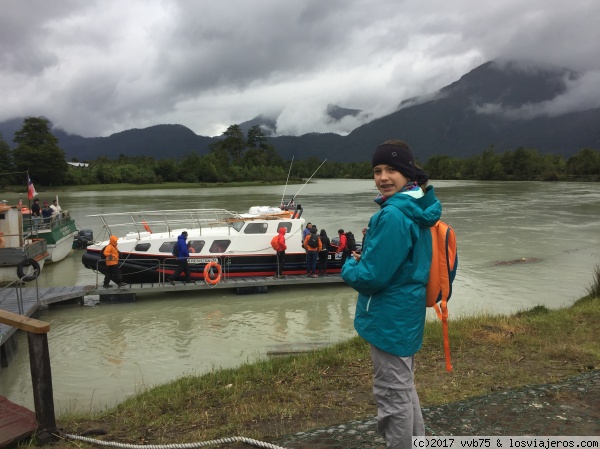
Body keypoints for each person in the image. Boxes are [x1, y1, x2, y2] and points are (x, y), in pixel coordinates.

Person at [341, 139, 442, 449]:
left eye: (392, 170)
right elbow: (399, 262)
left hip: (389, 316)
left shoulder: (394, 215)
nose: (383, 177)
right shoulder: (414, 208)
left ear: (407, 173)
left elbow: (372, 278)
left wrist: (348, 265)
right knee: (403, 387)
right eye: (377, 170)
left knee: (391, 395)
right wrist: (372, 250)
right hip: (405, 311)